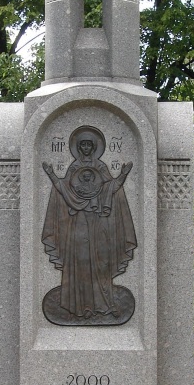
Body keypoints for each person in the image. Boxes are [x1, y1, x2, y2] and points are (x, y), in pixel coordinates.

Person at [41, 126, 136, 321]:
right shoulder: (74, 167)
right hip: (78, 224)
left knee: (101, 263)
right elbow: (64, 189)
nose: (85, 148)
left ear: (94, 147)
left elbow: (111, 187)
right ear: (78, 147)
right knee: (80, 262)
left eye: (88, 144)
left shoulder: (101, 167)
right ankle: (78, 308)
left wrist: (124, 174)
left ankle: (105, 306)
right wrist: (51, 174)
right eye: (82, 144)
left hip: (98, 223)